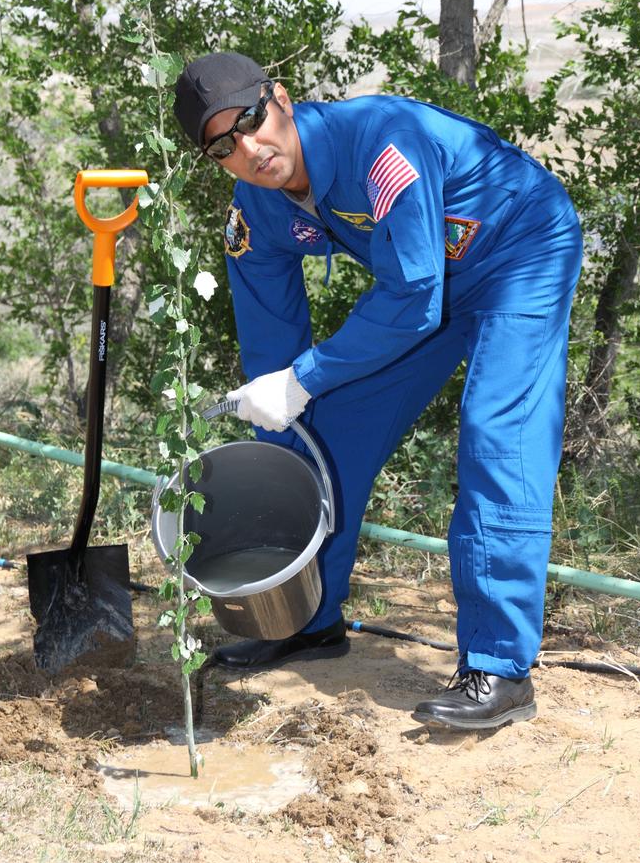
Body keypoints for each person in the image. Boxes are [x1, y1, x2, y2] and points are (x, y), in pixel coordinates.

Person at [173, 52, 583, 731]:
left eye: (250, 120)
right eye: (222, 143)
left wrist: (304, 377)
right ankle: (304, 618)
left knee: (495, 433)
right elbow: (273, 342)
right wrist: (280, 401)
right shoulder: (256, 209)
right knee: (320, 433)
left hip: (519, 251)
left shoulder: (381, 141)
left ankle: (499, 668)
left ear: (281, 97)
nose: (249, 147)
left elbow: (415, 297)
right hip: (421, 282)